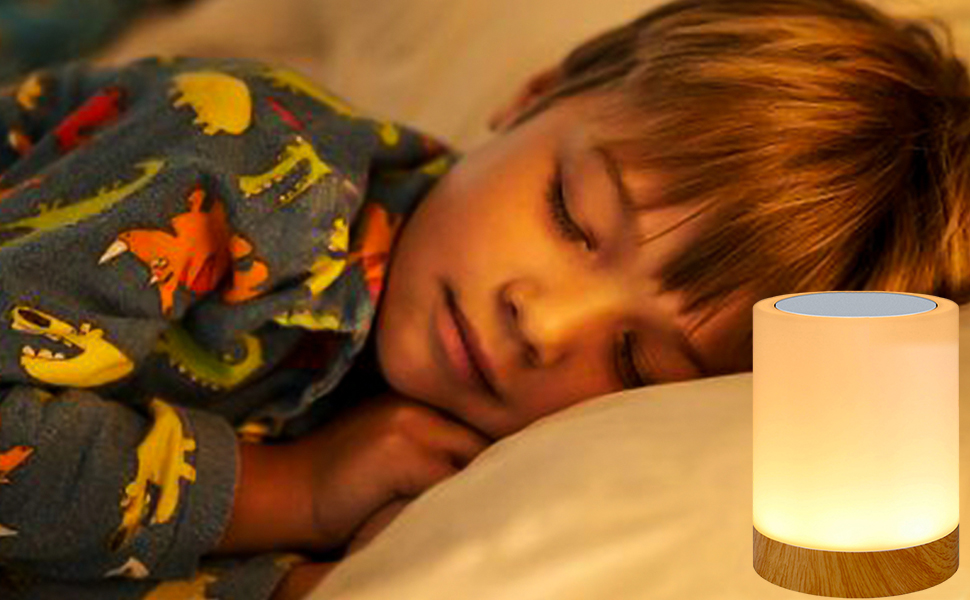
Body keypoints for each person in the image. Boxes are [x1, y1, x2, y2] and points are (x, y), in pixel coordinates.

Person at [1, 0, 969, 598]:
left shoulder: (419, 448)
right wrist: (283, 496)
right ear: (529, 98)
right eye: (572, 216)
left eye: (636, 362)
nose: (542, 322)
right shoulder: (242, 167)